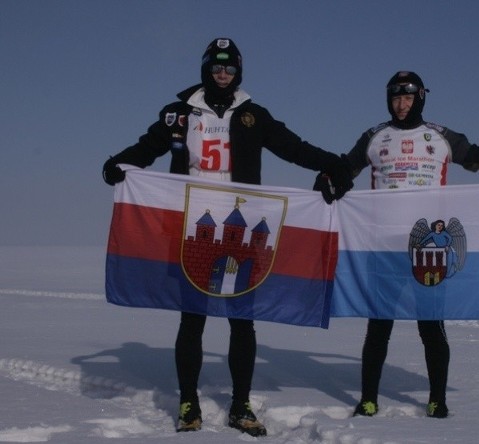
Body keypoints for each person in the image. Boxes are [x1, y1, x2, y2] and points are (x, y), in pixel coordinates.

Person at [101, 37, 352, 437]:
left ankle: (240, 405)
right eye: (217, 67)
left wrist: (336, 165)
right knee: (192, 319)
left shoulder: (253, 113)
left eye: (230, 68)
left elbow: (293, 148)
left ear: (238, 73)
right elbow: (148, 147)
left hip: (242, 231)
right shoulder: (179, 114)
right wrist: (117, 163)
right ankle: (188, 402)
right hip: (192, 228)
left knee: (242, 321)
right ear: (206, 69)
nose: (223, 74)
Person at [314, 71, 479, 419]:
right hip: (384, 247)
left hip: (428, 250)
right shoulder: (374, 137)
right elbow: (345, 168)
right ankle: (368, 399)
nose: (401, 105)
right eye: (395, 98)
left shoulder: (440, 137)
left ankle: (436, 399)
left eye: (408, 98)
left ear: (420, 98)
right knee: (379, 325)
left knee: (431, 326)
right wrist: (327, 177)